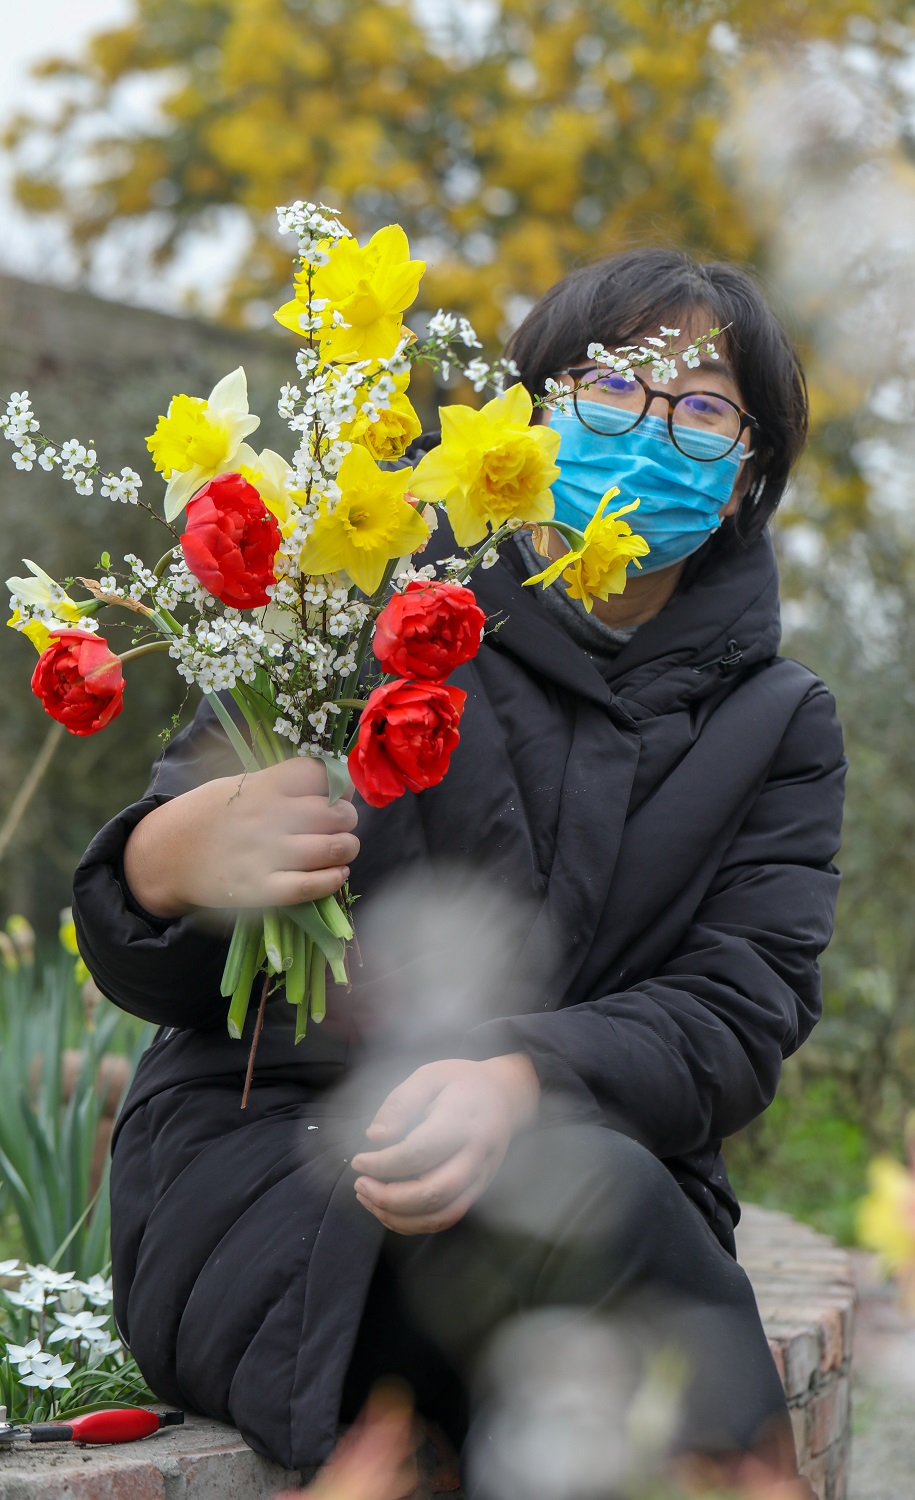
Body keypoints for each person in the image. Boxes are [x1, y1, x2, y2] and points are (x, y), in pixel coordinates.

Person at [73, 247, 846, 1496]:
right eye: (609, 391)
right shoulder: (362, 599)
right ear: (528, 411)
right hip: (283, 1185)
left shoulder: (778, 721)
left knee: (584, 1217)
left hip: (594, 1187)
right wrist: (166, 863)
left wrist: (524, 1078)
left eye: (703, 405)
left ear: (749, 470)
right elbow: (155, 951)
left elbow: (736, 1012)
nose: (649, 431)